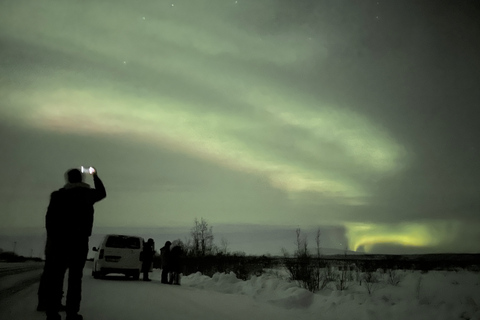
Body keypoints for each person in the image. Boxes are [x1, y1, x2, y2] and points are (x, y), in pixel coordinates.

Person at [43, 167, 106, 320]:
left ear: (68, 179)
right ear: (81, 179)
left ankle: (52, 312)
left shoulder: (57, 196)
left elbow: (49, 220)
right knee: (75, 278)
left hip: (59, 243)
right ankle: (72, 313)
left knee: (56, 277)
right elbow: (102, 192)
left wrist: (53, 239)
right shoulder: (87, 195)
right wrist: (95, 176)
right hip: (79, 242)